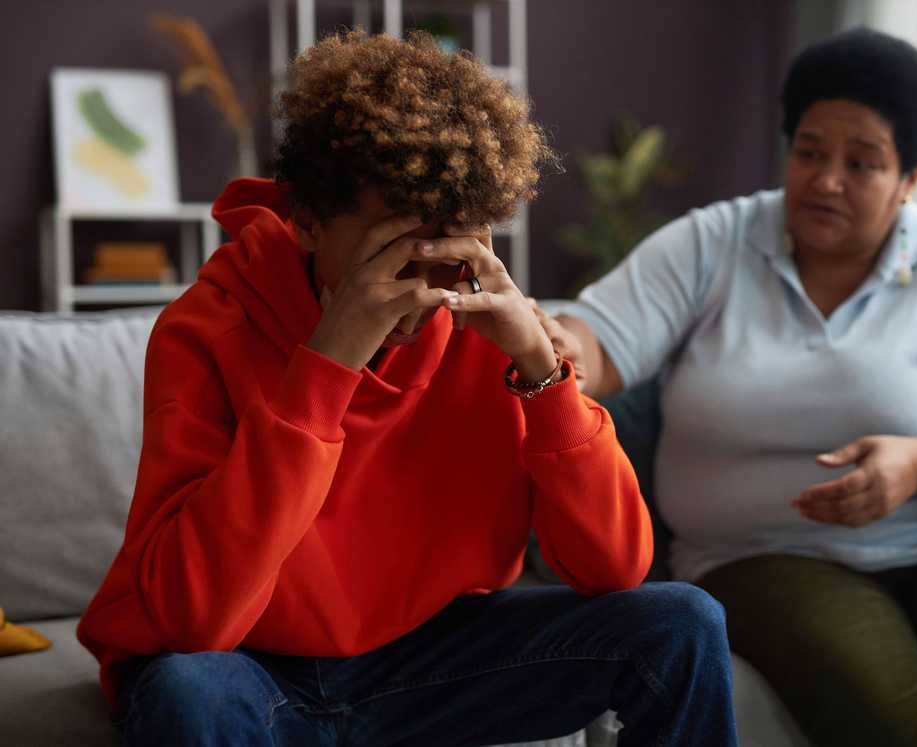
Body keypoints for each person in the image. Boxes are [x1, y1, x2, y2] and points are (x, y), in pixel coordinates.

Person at [77, 31, 738, 747]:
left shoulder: (485, 330)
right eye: (393, 252)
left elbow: (613, 566)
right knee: (183, 690)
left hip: (425, 664)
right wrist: (327, 366)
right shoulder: (206, 329)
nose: (423, 293)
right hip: (247, 664)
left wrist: (546, 381)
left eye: (452, 254)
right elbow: (192, 620)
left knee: (681, 624)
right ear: (306, 219)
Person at [553, 27, 917, 746]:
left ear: (911, 179)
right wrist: (552, 342)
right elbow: (597, 342)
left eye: (863, 163)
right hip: (762, 550)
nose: (825, 180)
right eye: (810, 151)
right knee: (878, 704)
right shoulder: (712, 244)